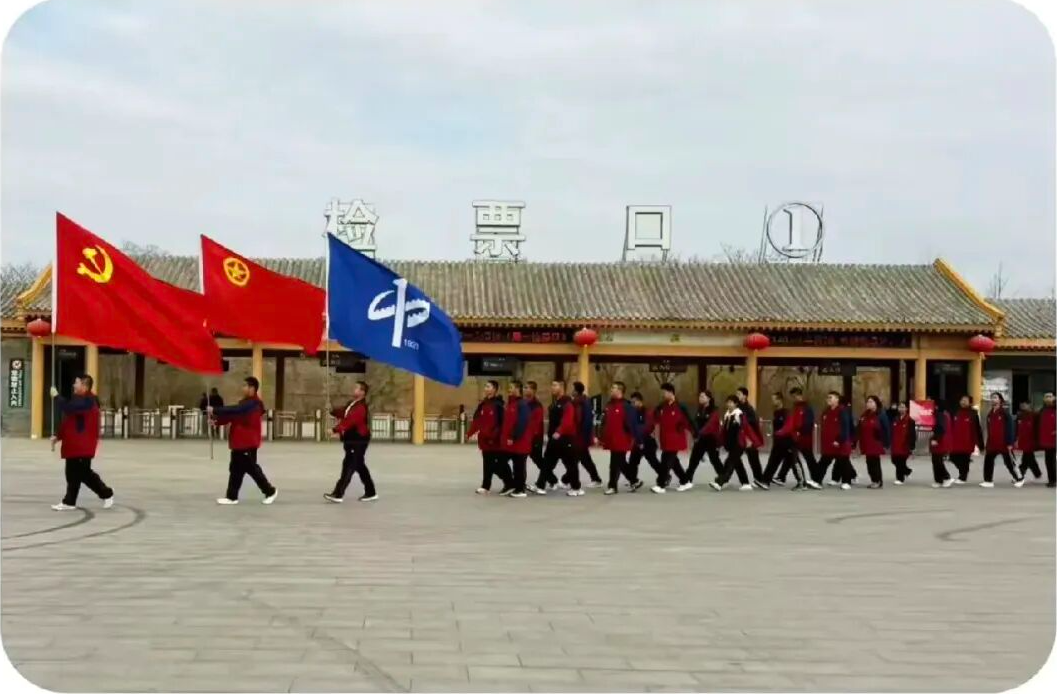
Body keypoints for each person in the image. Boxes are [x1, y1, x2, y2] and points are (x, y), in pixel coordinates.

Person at [49, 374, 114, 511]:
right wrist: (58, 436)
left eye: (76, 383)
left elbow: (68, 408)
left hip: (82, 445)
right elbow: (69, 421)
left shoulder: (88, 401)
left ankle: (106, 493)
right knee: (72, 474)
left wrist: (56, 397)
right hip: (74, 445)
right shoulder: (78, 401)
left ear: (84, 386)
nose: (74, 385)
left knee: (84, 474)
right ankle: (69, 502)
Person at [210, 376, 277, 505]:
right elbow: (233, 416)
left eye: (245, 386)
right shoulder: (245, 403)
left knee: (252, 469)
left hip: (247, 443)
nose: (243, 388)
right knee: (235, 470)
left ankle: (270, 491)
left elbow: (236, 410)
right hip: (238, 443)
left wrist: (215, 409)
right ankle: (231, 497)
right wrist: (216, 421)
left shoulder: (253, 404)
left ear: (252, 388)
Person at [324, 381, 375, 503]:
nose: (354, 389)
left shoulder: (361, 407)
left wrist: (335, 429)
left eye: (357, 388)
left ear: (362, 392)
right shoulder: (352, 404)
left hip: (358, 439)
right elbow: (343, 413)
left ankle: (338, 493)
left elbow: (350, 421)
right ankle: (371, 492)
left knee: (349, 465)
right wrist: (332, 410)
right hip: (352, 439)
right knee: (359, 465)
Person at [467, 380, 511, 495]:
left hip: (496, 440)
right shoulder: (483, 404)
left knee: (499, 464)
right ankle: (486, 486)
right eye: (485, 386)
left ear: (494, 389)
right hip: (484, 440)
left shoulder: (498, 405)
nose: (486, 388)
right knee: (487, 463)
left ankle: (510, 483)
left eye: (488, 386)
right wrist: (470, 433)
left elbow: (502, 423)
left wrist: (494, 436)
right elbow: (477, 420)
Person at [599, 381, 640, 495]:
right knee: (620, 463)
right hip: (611, 439)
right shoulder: (609, 405)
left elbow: (632, 425)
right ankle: (634, 480)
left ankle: (612, 486)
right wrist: (601, 436)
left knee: (614, 464)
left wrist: (635, 439)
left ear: (620, 391)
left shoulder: (627, 406)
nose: (611, 390)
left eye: (614, 388)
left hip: (622, 440)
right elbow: (604, 422)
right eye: (612, 387)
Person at [654, 383, 694, 493]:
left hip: (676, 439)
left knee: (666, 461)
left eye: (664, 392)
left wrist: (695, 434)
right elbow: (655, 417)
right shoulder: (662, 406)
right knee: (674, 462)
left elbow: (689, 421)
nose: (663, 395)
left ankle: (661, 485)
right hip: (665, 439)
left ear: (671, 392)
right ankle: (685, 481)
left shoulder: (681, 406)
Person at [709, 395, 753, 491]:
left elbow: (746, 428)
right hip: (731, 445)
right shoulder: (727, 415)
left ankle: (720, 482)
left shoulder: (739, 415)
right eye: (727, 402)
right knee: (737, 463)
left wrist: (749, 439)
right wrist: (719, 443)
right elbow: (724, 432)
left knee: (729, 463)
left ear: (736, 404)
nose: (728, 404)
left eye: (730, 402)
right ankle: (746, 483)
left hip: (739, 444)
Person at [981, 392, 1024, 488]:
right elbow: (989, 429)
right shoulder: (990, 414)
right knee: (988, 461)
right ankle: (988, 481)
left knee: (1010, 462)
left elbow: (1010, 428)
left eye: (995, 397)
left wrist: (1010, 442)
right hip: (992, 443)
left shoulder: (1004, 413)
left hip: (1004, 443)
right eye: (992, 398)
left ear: (1000, 400)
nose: (993, 399)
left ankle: (1019, 478)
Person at [551, 380, 586, 497]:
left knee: (571, 463)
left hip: (569, 437)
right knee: (569, 463)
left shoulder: (569, 403)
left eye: (555, 385)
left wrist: (559, 432)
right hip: (566, 437)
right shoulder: (568, 402)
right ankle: (571, 484)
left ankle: (576, 487)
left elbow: (568, 421)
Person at [500, 380, 533, 498]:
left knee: (519, 466)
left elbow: (522, 423)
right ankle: (512, 484)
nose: (509, 389)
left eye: (511, 387)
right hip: (510, 442)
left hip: (520, 441)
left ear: (518, 389)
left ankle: (520, 489)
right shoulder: (511, 404)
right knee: (501, 462)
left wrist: (514, 436)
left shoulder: (522, 404)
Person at [815, 391, 853, 489]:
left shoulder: (842, 411)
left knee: (844, 462)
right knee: (823, 462)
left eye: (830, 397)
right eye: (827, 397)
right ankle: (816, 481)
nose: (828, 399)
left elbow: (845, 427)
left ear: (837, 399)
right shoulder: (826, 411)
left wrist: (839, 440)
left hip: (840, 443)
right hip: (828, 443)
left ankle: (846, 482)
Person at [569, 381, 603, 488]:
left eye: (573, 389)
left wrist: (585, 435)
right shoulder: (576, 402)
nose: (571, 391)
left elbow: (586, 420)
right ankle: (595, 478)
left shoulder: (583, 402)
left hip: (581, 435)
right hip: (577, 434)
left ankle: (595, 479)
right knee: (581, 458)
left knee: (580, 458)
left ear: (576, 391)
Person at [685, 390, 722, 483]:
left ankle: (723, 476)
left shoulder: (714, 410)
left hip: (711, 438)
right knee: (694, 459)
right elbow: (695, 423)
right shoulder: (700, 410)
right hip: (700, 438)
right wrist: (694, 433)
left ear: (708, 398)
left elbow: (710, 425)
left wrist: (700, 432)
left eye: (702, 396)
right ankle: (687, 479)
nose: (700, 398)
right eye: (700, 396)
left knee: (714, 460)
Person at [625, 392, 659, 492]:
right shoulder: (633, 413)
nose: (632, 404)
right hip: (638, 440)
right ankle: (633, 481)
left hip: (647, 440)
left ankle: (665, 476)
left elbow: (647, 426)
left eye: (634, 402)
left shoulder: (646, 412)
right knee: (633, 461)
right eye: (631, 402)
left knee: (653, 461)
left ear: (640, 402)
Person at [857, 395, 891, 489]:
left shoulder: (881, 415)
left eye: (871, 402)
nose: (869, 404)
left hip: (876, 442)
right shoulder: (864, 415)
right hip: (866, 442)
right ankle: (873, 480)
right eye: (868, 402)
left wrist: (886, 443)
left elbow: (886, 429)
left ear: (876, 403)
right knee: (869, 462)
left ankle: (878, 481)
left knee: (875, 462)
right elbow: (859, 428)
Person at [734, 387, 766, 484]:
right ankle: (743, 481)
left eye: (739, 394)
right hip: (739, 438)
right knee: (734, 459)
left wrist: (752, 439)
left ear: (745, 396)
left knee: (753, 459)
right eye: (736, 394)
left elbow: (753, 423)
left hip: (749, 438)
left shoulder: (749, 409)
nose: (737, 396)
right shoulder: (736, 408)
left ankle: (759, 479)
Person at [949, 394, 983, 484]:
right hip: (956, 441)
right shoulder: (956, 412)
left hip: (968, 441)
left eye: (965, 400)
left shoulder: (973, 413)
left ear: (970, 403)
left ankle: (963, 477)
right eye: (962, 400)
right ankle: (963, 471)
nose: (963, 402)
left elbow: (977, 429)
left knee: (965, 460)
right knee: (952, 457)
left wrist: (980, 445)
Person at [523, 381, 548, 494]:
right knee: (522, 459)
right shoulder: (523, 403)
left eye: (528, 388)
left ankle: (551, 478)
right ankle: (520, 483)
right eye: (524, 388)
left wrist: (531, 436)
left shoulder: (536, 405)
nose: (525, 390)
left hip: (535, 438)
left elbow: (536, 424)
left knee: (537, 459)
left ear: (533, 390)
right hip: (524, 437)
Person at [762, 392, 791, 487]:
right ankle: (772, 478)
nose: (772, 401)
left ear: (780, 400)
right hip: (777, 440)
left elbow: (787, 427)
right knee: (775, 460)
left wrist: (780, 433)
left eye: (774, 399)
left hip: (784, 441)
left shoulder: (786, 412)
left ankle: (766, 480)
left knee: (775, 461)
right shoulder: (776, 412)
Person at [889, 401, 917, 485]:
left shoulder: (910, 420)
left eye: (903, 407)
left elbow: (912, 434)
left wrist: (912, 446)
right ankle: (907, 471)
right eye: (900, 407)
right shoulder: (895, 419)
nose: (901, 409)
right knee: (894, 460)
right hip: (895, 444)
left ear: (906, 408)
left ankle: (900, 479)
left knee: (901, 462)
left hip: (904, 445)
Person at [928, 402, 955, 488]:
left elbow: (941, 428)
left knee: (937, 461)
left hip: (940, 441)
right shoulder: (944, 414)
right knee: (936, 460)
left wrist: (936, 439)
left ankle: (947, 477)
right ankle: (938, 480)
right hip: (941, 440)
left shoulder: (940, 415)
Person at [1037, 392, 1056, 487]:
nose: (1048, 398)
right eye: (1046, 397)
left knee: (1052, 460)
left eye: (1050, 396)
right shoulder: (1042, 410)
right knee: (1049, 461)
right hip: (1047, 441)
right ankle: (1051, 480)